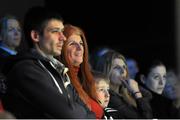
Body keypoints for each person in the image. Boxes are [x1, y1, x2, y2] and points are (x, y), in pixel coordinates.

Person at [1, 6, 95, 118]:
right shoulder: (26, 70)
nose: (63, 38)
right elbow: (70, 114)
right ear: (35, 36)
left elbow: (88, 112)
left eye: (62, 31)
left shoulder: (57, 67)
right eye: (55, 31)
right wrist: (79, 112)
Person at [91, 50, 152, 118]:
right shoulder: (110, 98)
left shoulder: (123, 93)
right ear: (106, 71)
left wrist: (134, 88)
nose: (123, 71)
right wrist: (136, 92)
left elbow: (149, 95)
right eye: (117, 68)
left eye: (124, 67)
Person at [59, 24, 103, 119]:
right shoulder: (62, 82)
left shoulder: (86, 80)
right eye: (72, 44)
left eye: (81, 43)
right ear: (61, 48)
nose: (79, 48)